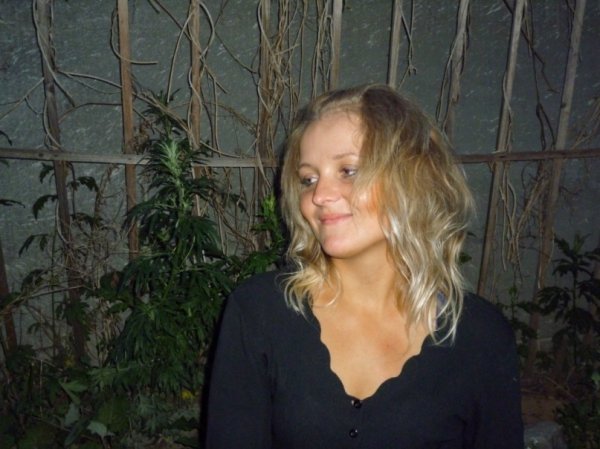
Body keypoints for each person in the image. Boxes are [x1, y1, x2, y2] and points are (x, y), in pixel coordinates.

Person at [205, 84, 524, 448]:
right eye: (308, 179)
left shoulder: (480, 336)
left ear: (413, 178)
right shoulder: (259, 313)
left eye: (348, 170)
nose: (319, 196)